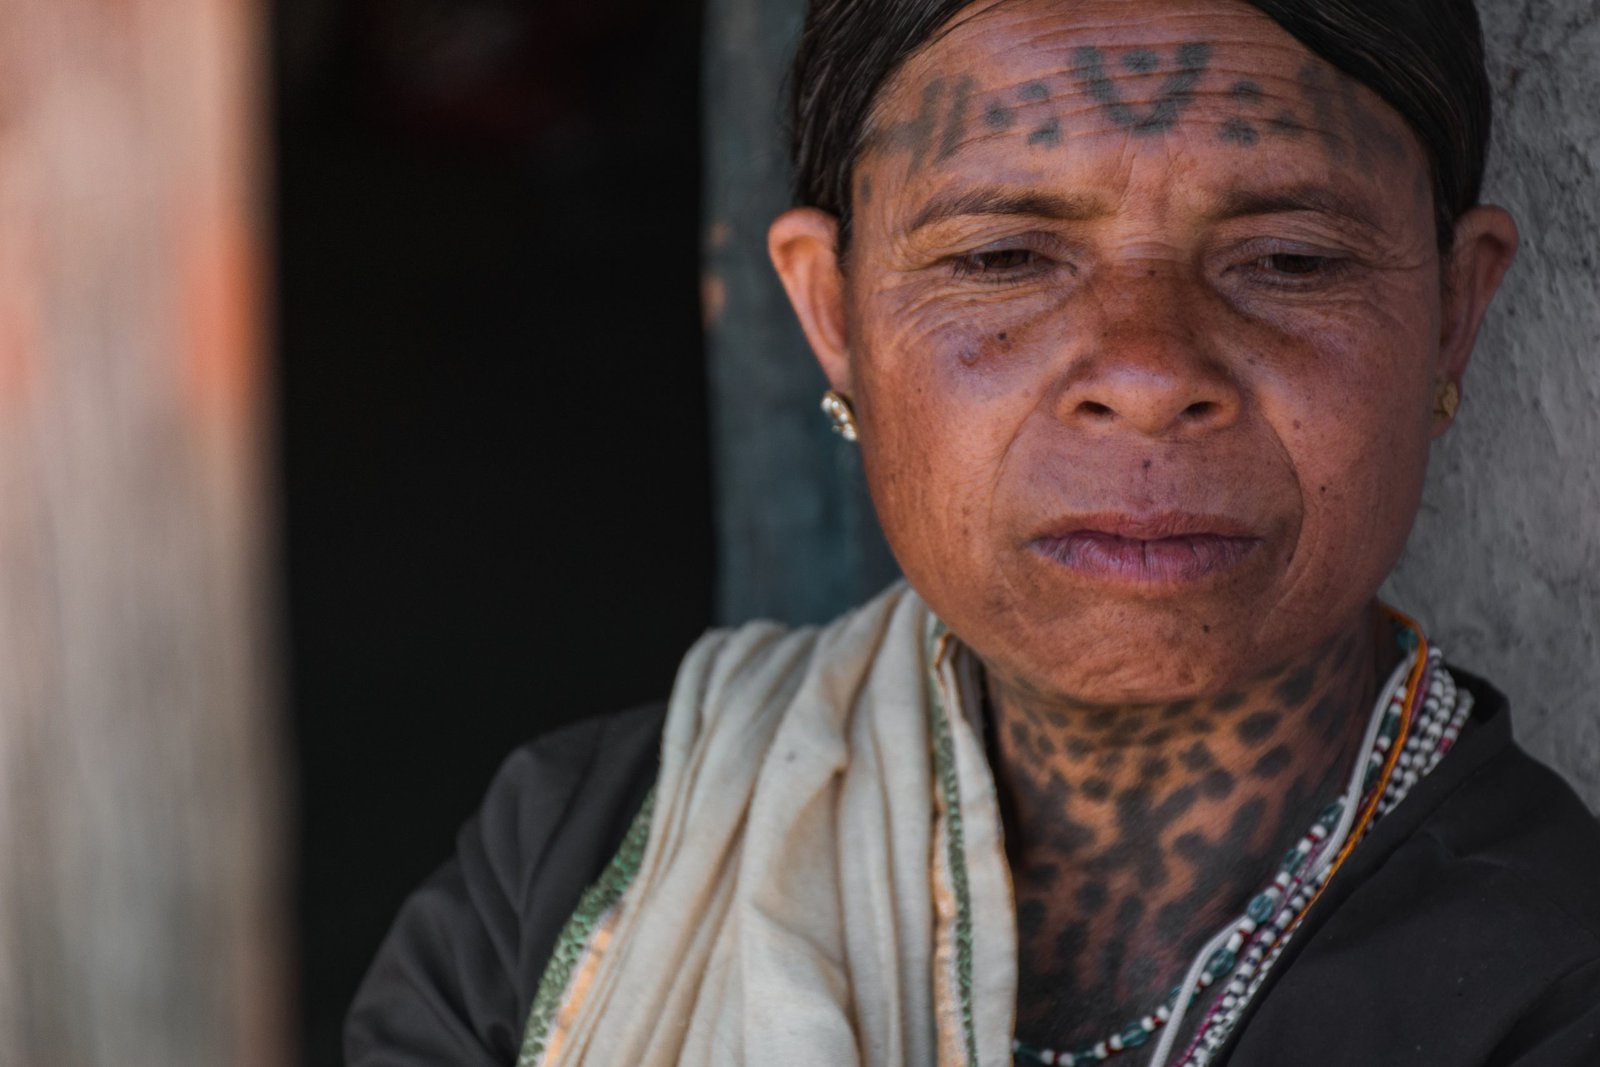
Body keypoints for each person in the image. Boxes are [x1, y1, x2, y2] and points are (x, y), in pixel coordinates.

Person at [345, 0, 1600, 1064]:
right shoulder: (570, 859)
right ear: (833, 316)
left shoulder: (1549, 978)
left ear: (1452, 310)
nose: (1146, 368)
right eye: (1003, 256)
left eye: (1287, 257)